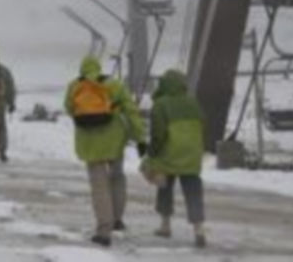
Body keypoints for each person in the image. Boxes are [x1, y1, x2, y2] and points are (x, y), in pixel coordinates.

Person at [63, 55, 146, 247]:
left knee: (99, 186)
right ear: (98, 68)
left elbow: (69, 108)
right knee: (117, 177)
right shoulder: (114, 85)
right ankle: (117, 219)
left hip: (89, 143)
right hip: (114, 140)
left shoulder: (74, 86)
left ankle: (104, 230)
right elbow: (131, 111)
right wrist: (140, 138)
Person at [141, 69, 208, 248]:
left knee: (164, 187)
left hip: (169, 152)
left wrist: (152, 153)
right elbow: (203, 124)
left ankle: (165, 226)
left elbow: (158, 134)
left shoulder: (161, 104)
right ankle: (199, 229)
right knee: (193, 190)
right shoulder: (193, 102)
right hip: (192, 153)